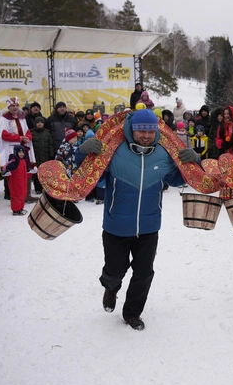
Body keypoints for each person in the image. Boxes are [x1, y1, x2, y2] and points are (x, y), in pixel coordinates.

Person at [77, 108, 198, 330]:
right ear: (132, 130)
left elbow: (176, 179)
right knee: (115, 271)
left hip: (149, 226)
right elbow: (88, 175)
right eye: (141, 130)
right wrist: (82, 152)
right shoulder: (113, 151)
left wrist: (192, 163)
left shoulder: (163, 154)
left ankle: (132, 313)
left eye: (150, 131)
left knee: (144, 273)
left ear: (156, 132)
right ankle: (111, 287)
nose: (145, 135)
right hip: (116, 225)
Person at [0, 97, 36, 203]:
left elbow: (27, 131)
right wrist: (19, 138)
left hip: (24, 149)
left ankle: (26, 195)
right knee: (14, 173)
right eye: (12, 106)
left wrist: (28, 137)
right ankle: (14, 196)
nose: (15, 108)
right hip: (12, 149)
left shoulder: (22, 118)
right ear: (8, 107)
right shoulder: (4, 119)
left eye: (16, 106)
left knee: (26, 171)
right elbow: (4, 134)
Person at [30, 117, 55, 194]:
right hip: (35, 157)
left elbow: (51, 145)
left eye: (41, 122)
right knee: (36, 173)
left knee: (45, 173)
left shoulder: (47, 133)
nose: (40, 124)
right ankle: (37, 188)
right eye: (38, 122)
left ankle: (45, 187)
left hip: (45, 157)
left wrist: (51, 155)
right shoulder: (32, 133)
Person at [3, 145, 29, 216]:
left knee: (22, 195)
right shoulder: (15, 161)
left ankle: (20, 208)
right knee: (16, 196)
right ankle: (15, 210)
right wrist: (6, 169)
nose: (21, 154)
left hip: (22, 182)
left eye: (22, 152)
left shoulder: (23, 160)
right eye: (19, 152)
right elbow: (8, 166)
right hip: (15, 182)